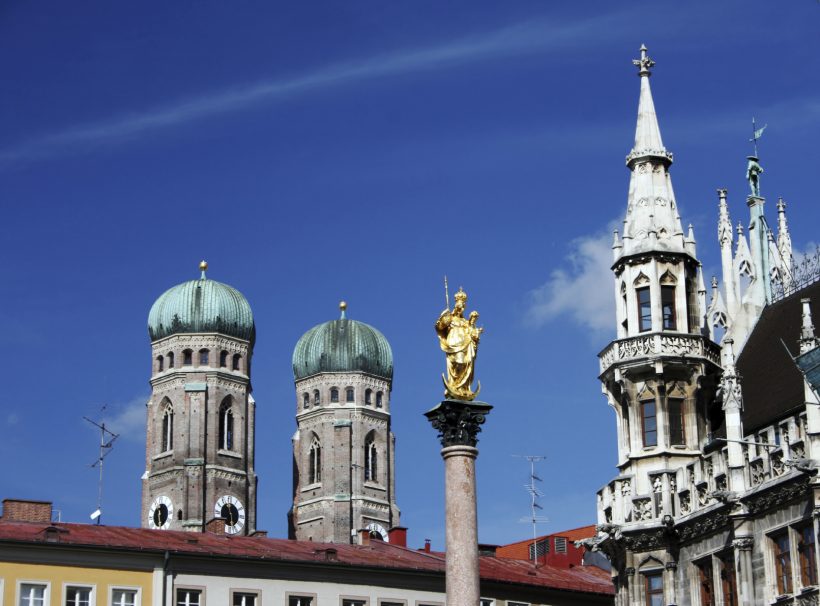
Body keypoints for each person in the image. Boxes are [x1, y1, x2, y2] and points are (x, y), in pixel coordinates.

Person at [435, 288, 482, 400]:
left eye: (463, 307)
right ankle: (455, 385)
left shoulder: (465, 322)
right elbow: (440, 327)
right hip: (454, 344)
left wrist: (475, 333)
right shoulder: (450, 319)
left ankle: (463, 388)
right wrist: (444, 317)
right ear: (456, 307)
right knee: (459, 363)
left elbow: (472, 333)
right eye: (459, 307)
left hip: (465, 345)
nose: (461, 309)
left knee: (467, 363)